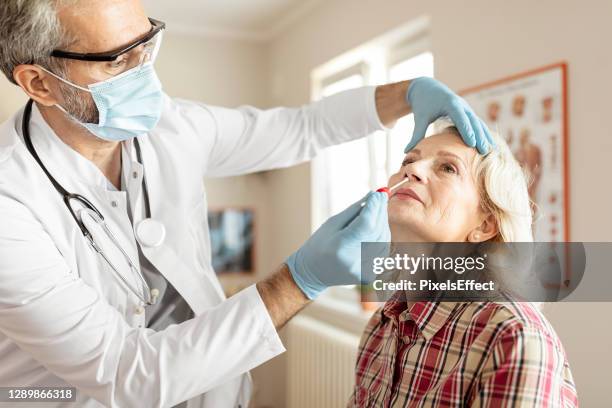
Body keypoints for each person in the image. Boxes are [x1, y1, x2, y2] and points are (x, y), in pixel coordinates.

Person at [0, 1, 494, 407]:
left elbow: (302, 128)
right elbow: (128, 373)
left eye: (147, 43)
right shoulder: (11, 203)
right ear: (39, 82)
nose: (145, 72)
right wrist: (300, 278)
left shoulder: (171, 126)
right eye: (116, 60)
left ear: (487, 223)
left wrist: (405, 94)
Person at [348, 125, 578, 407]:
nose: (412, 169)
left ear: (485, 225)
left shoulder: (513, 337)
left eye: (447, 168)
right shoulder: (381, 325)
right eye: (408, 160)